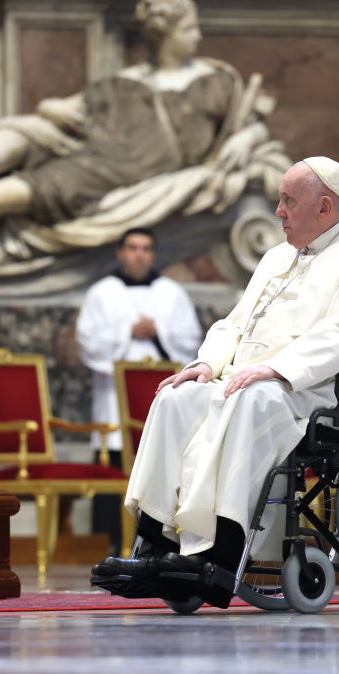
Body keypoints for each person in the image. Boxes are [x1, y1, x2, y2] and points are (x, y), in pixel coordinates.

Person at [91, 157, 339, 608]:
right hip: (247, 379)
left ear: (325, 206)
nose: (278, 212)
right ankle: (158, 548)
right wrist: (207, 364)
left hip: (319, 388)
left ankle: (219, 557)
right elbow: (233, 324)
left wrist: (279, 368)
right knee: (176, 397)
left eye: (289, 201)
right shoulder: (276, 257)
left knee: (252, 400)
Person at [0, 0, 286, 284]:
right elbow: (70, 107)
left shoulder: (214, 81)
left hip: (127, 176)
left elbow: (251, 125)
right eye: (189, 28)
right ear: (164, 34)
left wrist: (246, 138)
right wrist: (50, 107)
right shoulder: (123, 83)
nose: (198, 36)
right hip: (97, 163)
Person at [75, 227, 202, 555]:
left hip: (161, 396)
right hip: (114, 406)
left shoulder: (172, 293)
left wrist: (159, 332)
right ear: (120, 252)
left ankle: (160, 545)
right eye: (132, 248)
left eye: (146, 248)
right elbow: (87, 342)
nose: (139, 254)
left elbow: (191, 341)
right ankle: (109, 545)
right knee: (116, 466)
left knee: (164, 468)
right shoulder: (101, 293)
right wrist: (126, 331)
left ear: (153, 254)